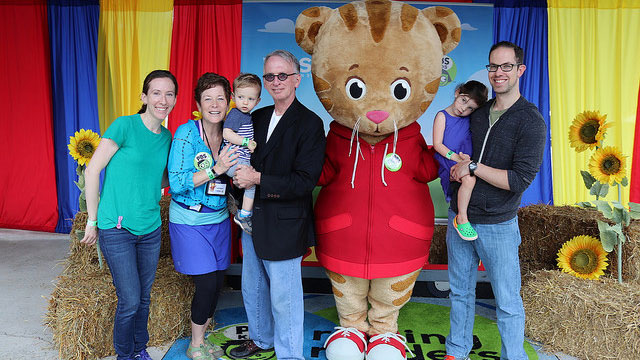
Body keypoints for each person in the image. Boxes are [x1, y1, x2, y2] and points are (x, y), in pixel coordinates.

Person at [444, 41, 546, 360]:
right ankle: (456, 351)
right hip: (460, 219)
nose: (498, 73)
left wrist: (474, 167)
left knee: (507, 301)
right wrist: (458, 169)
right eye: (493, 66)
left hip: (499, 226)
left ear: (520, 70)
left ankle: (513, 355)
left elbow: (518, 180)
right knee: (460, 293)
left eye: (505, 67)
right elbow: (464, 153)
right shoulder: (479, 112)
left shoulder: (531, 121)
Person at [229, 50, 326, 360]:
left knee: (284, 299)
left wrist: (257, 178)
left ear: (297, 79)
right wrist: (236, 180)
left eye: (282, 75)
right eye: (269, 76)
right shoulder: (255, 117)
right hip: (251, 220)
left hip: (285, 223)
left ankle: (289, 355)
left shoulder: (310, 123)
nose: (275, 81)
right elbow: (241, 162)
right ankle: (261, 339)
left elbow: (304, 182)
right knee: (253, 289)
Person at [80, 70, 178, 360]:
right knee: (130, 300)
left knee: (144, 299)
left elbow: (160, 179)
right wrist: (92, 220)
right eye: (157, 93)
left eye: (169, 93)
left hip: (149, 228)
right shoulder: (124, 126)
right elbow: (93, 169)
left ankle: (139, 350)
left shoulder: (166, 137)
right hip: (117, 228)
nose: (163, 99)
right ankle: (125, 355)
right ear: (144, 97)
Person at [167, 73, 239, 360]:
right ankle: (195, 344)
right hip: (190, 221)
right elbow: (176, 182)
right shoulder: (186, 133)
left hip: (220, 220)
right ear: (198, 103)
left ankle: (204, 336)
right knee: (207, 283)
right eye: (208, 98)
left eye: (220, 98)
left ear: (229, 102)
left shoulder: (231, 133)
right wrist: (215, 169)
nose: (214, 104)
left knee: (219, 281)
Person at [432, 81, 488, 241]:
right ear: (457, 92)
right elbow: (437, 144)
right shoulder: (442, 116)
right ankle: (461, 218)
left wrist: (466, 160)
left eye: (470, 108)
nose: (464, 109)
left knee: (477, 180)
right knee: (469, 180)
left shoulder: (469, 119)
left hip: (465, 159)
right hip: (448, 158)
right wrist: (455, 157)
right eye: (464, 101)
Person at [222, 73, 261, 234]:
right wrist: (246, 142)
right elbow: (226, 133)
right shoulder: (236, 114)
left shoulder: (246, 116)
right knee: (251, 185)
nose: (245, 102)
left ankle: (233, 197)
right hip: (235, 160)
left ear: (258, 101)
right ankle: (244, 215)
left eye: (250, 99)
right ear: (233, 96)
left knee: (245, 184)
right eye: (241, 97)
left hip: (239, 159)